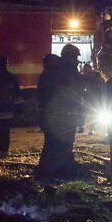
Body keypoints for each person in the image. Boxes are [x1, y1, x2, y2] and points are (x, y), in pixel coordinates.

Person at [36, 45, 84, 177]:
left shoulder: (51, 72)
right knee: (63, 143)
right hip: (65, 117)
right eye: (75, 57)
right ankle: (58, 171)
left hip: (52, 116)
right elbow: (76, 97)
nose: (76, 60)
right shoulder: (69, 73)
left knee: (52, 143)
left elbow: (42, 96)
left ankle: (47, 169)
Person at [81, 63, 105, 134]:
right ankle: (86, 127)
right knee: (87, 113)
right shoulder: (84, 77)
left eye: (86, 70)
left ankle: (92, 128)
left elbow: (101, 85)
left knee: (92, 113)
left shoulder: (96, 77)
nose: (85, 71)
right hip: (88, 98)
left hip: (94, 98)